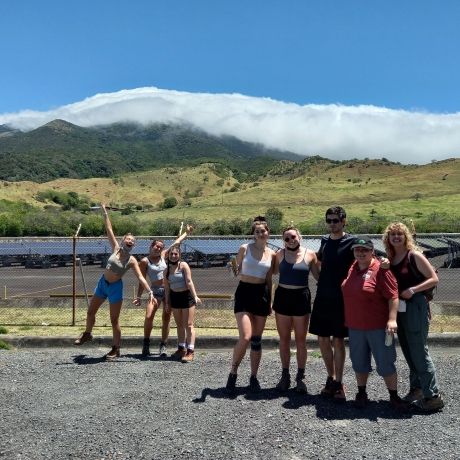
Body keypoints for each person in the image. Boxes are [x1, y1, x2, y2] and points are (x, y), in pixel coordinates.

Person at [74, 204, 155, 360]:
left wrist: (149, 291)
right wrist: (104, 212)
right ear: (123, 240)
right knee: (91, 312)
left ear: (133, 245)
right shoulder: (115, 248)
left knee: (114, 320)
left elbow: (140, 277)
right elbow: (109, 229)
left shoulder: (132, 260)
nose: (130, 241)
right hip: (102, 284)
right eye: (128, 239)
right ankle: (87, 334)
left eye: (133, 241)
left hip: (115, 288)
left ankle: (116, 348)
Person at [341, 237, 408, 410]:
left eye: (365, 250)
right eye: (357, 250)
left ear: (372, 251)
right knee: (359, 362)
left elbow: (393, 296)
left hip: (378, 326)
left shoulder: (381, 269)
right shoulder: (353, 267)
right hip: (355, 326)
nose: (361, 253)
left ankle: (394, 396)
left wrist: (392, 319)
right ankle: (361, 393)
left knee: (385, 363)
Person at [383, 222, 444, 412]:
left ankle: (432, 395)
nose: (396, 237)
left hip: (415, 306)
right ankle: (417, 389)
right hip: (400, 309)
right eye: (392, 234)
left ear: (406, 236)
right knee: (409, 350)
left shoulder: (414, 255)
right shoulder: (391, 258)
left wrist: (413, 290)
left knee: (418, 350)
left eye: (400, 234)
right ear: (387, 238)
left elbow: (433, 278)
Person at [308, 206, 355, 402]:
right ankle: (330, 378)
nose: (332, 224)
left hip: (341, 298)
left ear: (344, 220)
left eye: (336, 220)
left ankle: (339, 382)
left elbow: (365, 262)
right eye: (329, 221)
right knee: (322, 339)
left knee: (338, 340)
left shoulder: (351, 242)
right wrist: (318, 276)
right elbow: (316, 261)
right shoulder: (325, 241)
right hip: (323, 296)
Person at [225, 216, 275, 394]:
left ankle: (253, 377)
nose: (261, 233)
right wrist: (231, 269)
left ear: (268, 233)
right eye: (257, 231)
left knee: (256, 339)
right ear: (254, 234)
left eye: (263, 231)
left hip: (261, 294)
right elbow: (235, 273)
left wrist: (270, 301)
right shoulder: (244, 248)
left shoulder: (272, 254)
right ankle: (233, 372)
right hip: (244, 292)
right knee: (245, 336)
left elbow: (269, 279)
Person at [272, 226, 319, 393]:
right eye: (286, 238)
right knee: (284, 339)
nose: (291, 240)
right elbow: (269, 271)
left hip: (301, 297)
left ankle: (300, 377)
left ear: (299, 236)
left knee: (301, 341)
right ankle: (285, 376)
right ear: (282, 241)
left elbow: (319, 277)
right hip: (283, 297)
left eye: (293, 236)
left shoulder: (310, 255)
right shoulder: (279, 255)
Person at [134, 224, 193, 357]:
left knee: (166, 317)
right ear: (151, 246)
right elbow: (142, 280)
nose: (158, 248)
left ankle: (163, 345)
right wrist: (138, 296)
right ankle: (146, 344)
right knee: (149, 316)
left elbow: (177, 242)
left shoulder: (164, 255)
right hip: (154, 291)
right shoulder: (144, 261)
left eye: (160, 247)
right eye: (156, 246)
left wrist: (187, 233)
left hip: (168, 291)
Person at [163, 244, 201, 363]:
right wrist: (167, 302)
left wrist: (195, 296)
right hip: (175, 298)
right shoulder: (166, 270)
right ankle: (181, 348)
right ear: (168, 255)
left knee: (188, 325)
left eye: (176, 254)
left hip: (186, 297)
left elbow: (189, 281)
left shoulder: (183, 265)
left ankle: (190, 351)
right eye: (171, 254)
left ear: (179, 255)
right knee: (179, 325)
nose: (173, 256)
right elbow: (167, 287)